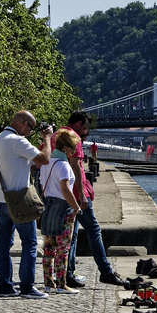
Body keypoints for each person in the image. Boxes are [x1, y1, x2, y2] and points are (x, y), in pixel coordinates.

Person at [56, 111, 123, 288]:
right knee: (94, 230)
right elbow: (76, 168)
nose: (86, 130)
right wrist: (82, 195)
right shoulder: (72, 138)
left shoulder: (55, 135)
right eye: (85, 126)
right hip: (75, 196)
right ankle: (106, 272)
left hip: (59, 194)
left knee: (72, 235)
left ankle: (68, 273)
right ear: (78, 124)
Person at [0, 110, 51, 298]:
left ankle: (6, 287)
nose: (30, 133)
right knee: (30, 243)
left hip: (0, 199)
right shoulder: (18, 141)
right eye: (31, 129)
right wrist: (47, 138)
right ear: (24, 124)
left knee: (3, 244)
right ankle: (27, 287)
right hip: (19, 202)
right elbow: (44, 159)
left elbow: (15, 164)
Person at [41, 129, 82, 294]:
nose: (73, 153)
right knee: (63, 249)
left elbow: (43, 186)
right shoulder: (64, 166)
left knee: (49, 248)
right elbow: (65, 190)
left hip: (48, 207)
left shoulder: (47, 163)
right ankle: (61, 284)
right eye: (73, 150)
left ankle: (48, 283)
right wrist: (76, 207)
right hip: (63, 209)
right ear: (66, 149)